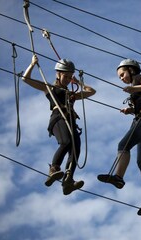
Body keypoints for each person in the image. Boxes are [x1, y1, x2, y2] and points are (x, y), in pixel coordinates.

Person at [97, 59, 141, 215]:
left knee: (123, 145)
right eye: (119, 77)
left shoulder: (140, 78)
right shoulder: (135, 87)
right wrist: (131, 110)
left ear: (131, 70)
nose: (121, 78)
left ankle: (118, 177)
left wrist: (134, 90)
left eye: (122, 74)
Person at [22, 54, 96, 195]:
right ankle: (54, 169)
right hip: (58, 118)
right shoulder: (49, 87)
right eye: (66, 77)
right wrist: (32, 64)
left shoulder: (71, 94)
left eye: (69, 77)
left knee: (76, 149)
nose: (68, 80)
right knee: (66, 142)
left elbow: (92, 92)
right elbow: (26, 79)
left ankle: (68, 181)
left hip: (71, 121)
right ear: (58, 74)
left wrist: (78, 83)